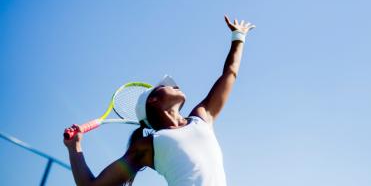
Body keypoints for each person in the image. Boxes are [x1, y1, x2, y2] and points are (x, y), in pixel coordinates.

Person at [63, 15, 256, 186]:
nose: (175, 85)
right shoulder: (147, 145)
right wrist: (75, 147)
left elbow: (230, 73)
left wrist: (238, 37)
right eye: (166, 85)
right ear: (153, 100)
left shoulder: (201, 118)